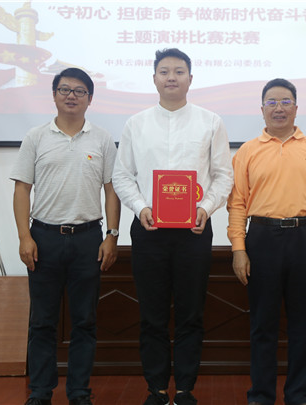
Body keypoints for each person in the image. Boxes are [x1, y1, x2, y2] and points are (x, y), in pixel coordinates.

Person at [112, 48, 233, 405]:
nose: (171, 77)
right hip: (148, 230)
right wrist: (140, 207)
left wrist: (206, 208)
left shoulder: (210, 121)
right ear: (154, 78)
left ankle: (184, 390)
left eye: (179, 71)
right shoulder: (136, 124)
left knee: (190, 313)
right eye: (164, 71)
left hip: (194, 231)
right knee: (151, 314)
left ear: (190, 79)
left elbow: (223, 175)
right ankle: (156, 389)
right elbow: (122, 175)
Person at [226, 78, 306, 405]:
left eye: (286, 101)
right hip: (262, 239)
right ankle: (261, 396)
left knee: (304, 325)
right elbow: (237, 205)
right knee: (262, 324)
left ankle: (299, 395)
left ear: (296, 108)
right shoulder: (248, 151)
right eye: (272, 102)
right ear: (262, 109)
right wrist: (239, 249)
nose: (279, 108)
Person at [11, 67, 121, 405]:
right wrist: (24, 236)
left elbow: (112, 190)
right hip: (44, 238)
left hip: (88, 239)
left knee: (85, 321)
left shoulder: (102, 139)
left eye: (79, 91)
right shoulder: (36, 137)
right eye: (64, 89)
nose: (71, 95)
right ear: (54, 95)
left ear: (90, 98)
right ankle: (40, 392)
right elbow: (21, 189)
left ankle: (79, 392)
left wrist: (112, 235)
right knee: (42, 321)